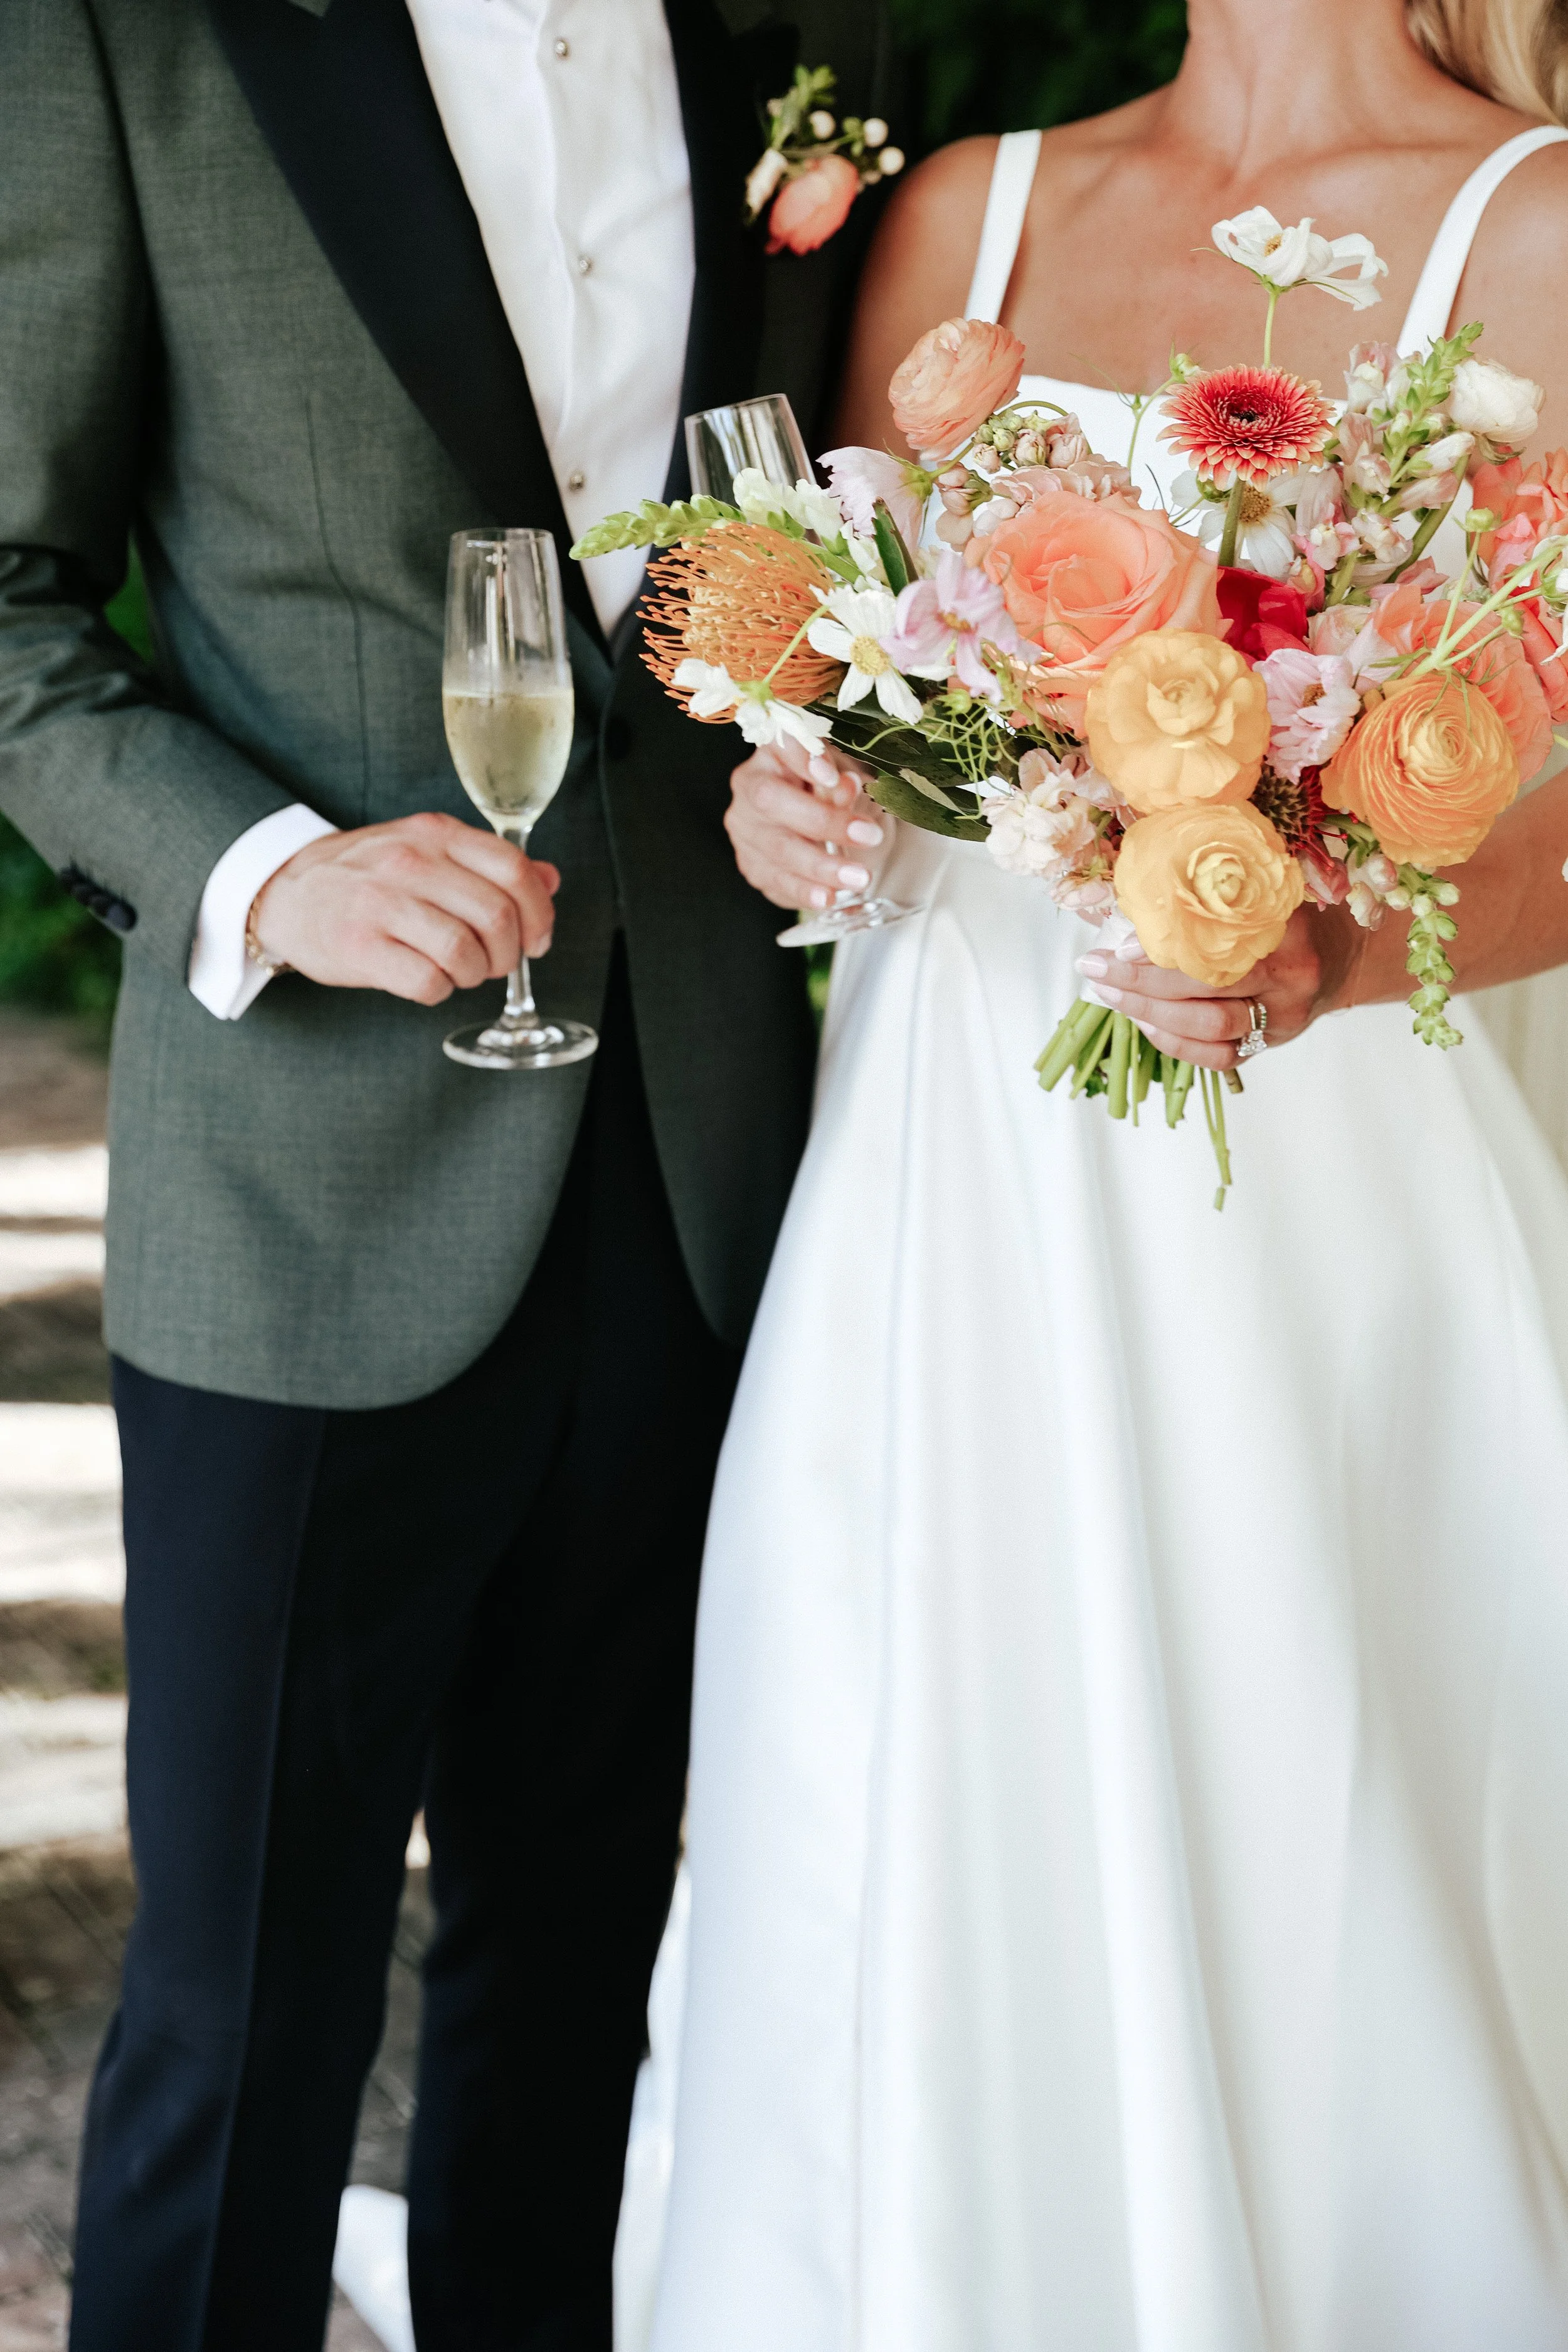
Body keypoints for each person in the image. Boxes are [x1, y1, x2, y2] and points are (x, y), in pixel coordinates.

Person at [647, 3, 1568, 2345]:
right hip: (953, 1163)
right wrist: (796, 803)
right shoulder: (970, 208)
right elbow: (848, 688)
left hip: (1327, 1166)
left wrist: (1335, 953)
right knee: (902, 1749)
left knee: (1312, 1767)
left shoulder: (1534, 221)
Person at [0, 2, 887, 2346]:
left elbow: (770, 561)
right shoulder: (127, 41)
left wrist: (809, 761)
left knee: (575, 1967)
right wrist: (267, 872)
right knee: (243, 2007)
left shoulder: (793, 29)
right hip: (311, 1191)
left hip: (697, 1165)